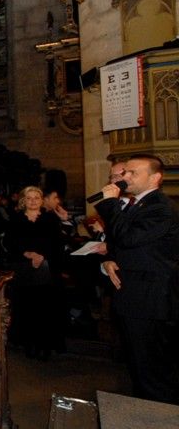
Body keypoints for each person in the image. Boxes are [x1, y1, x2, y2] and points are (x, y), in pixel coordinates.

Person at [96, 154, 179, 404]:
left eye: (133, 173)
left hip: (151, 300)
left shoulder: (160, 207)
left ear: (155, 178)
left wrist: (110, 204)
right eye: (125, 173)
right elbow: (124, 245)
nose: (125, 177)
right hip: (136, 296)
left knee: (153, 370)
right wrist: (109, 260)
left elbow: (129, 238)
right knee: (140, 366)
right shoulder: (137, 204)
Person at [3, 186, 66, 360]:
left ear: (41, 200)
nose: (32, 201)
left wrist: (42, 255)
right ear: (24, 200)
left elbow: (57, 244)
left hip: (47, 268)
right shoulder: (15, 219)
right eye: (29, 198)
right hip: (23, 268)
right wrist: (27, 254)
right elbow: (9, 243)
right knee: (26, 307)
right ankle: (29, 344)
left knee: (45, 308)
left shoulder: (50, 219)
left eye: (36, 198)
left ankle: (45, 345)